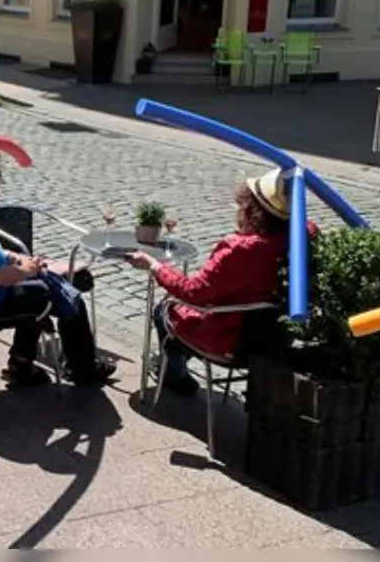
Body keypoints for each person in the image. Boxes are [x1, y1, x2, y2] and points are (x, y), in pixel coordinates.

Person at [0, 152, 116, 388]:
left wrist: (14, 257)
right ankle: (83, 370)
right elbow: (2, 277)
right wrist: (28, 269)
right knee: (69, 296)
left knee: (55, 286)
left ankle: (22, 363)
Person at [124, 169, 320, 398]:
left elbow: (193, 291)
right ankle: (174, 364)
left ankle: (175, 375)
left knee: (164, 310)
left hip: (229, 339)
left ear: (252, 210)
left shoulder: (242, 249)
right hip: (276, 339)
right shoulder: (306, 234)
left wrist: (154, 266)